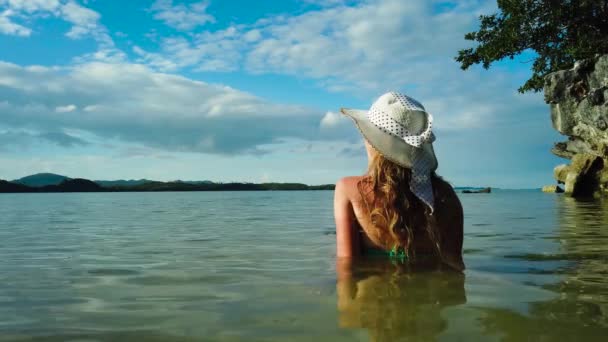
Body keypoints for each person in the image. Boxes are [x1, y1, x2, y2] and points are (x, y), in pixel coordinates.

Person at [334, 91, 464, 271]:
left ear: (373, 142)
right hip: (430, 296)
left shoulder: (349, 189)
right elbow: (455, 267)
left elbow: (347, 267)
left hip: (373, 296)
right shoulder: (446, 195)